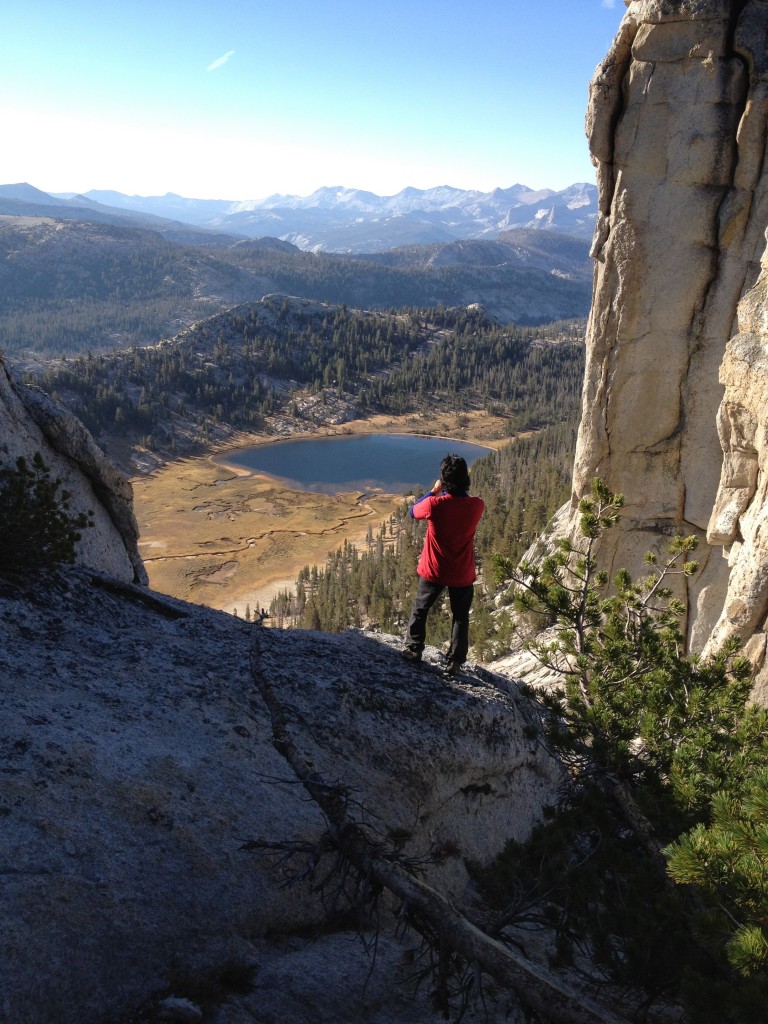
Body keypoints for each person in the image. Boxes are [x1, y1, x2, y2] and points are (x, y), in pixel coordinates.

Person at [402, 454, 485, 675]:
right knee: (460, 616)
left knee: (420, 609)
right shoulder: (477, 506)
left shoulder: (434, 504)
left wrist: (433, 491)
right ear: (465, 477)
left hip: (434, 570)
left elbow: (413, 512)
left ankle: (413, 648)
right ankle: (455, 661)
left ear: (444, 479)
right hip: (461, 572)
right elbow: (463, 500)